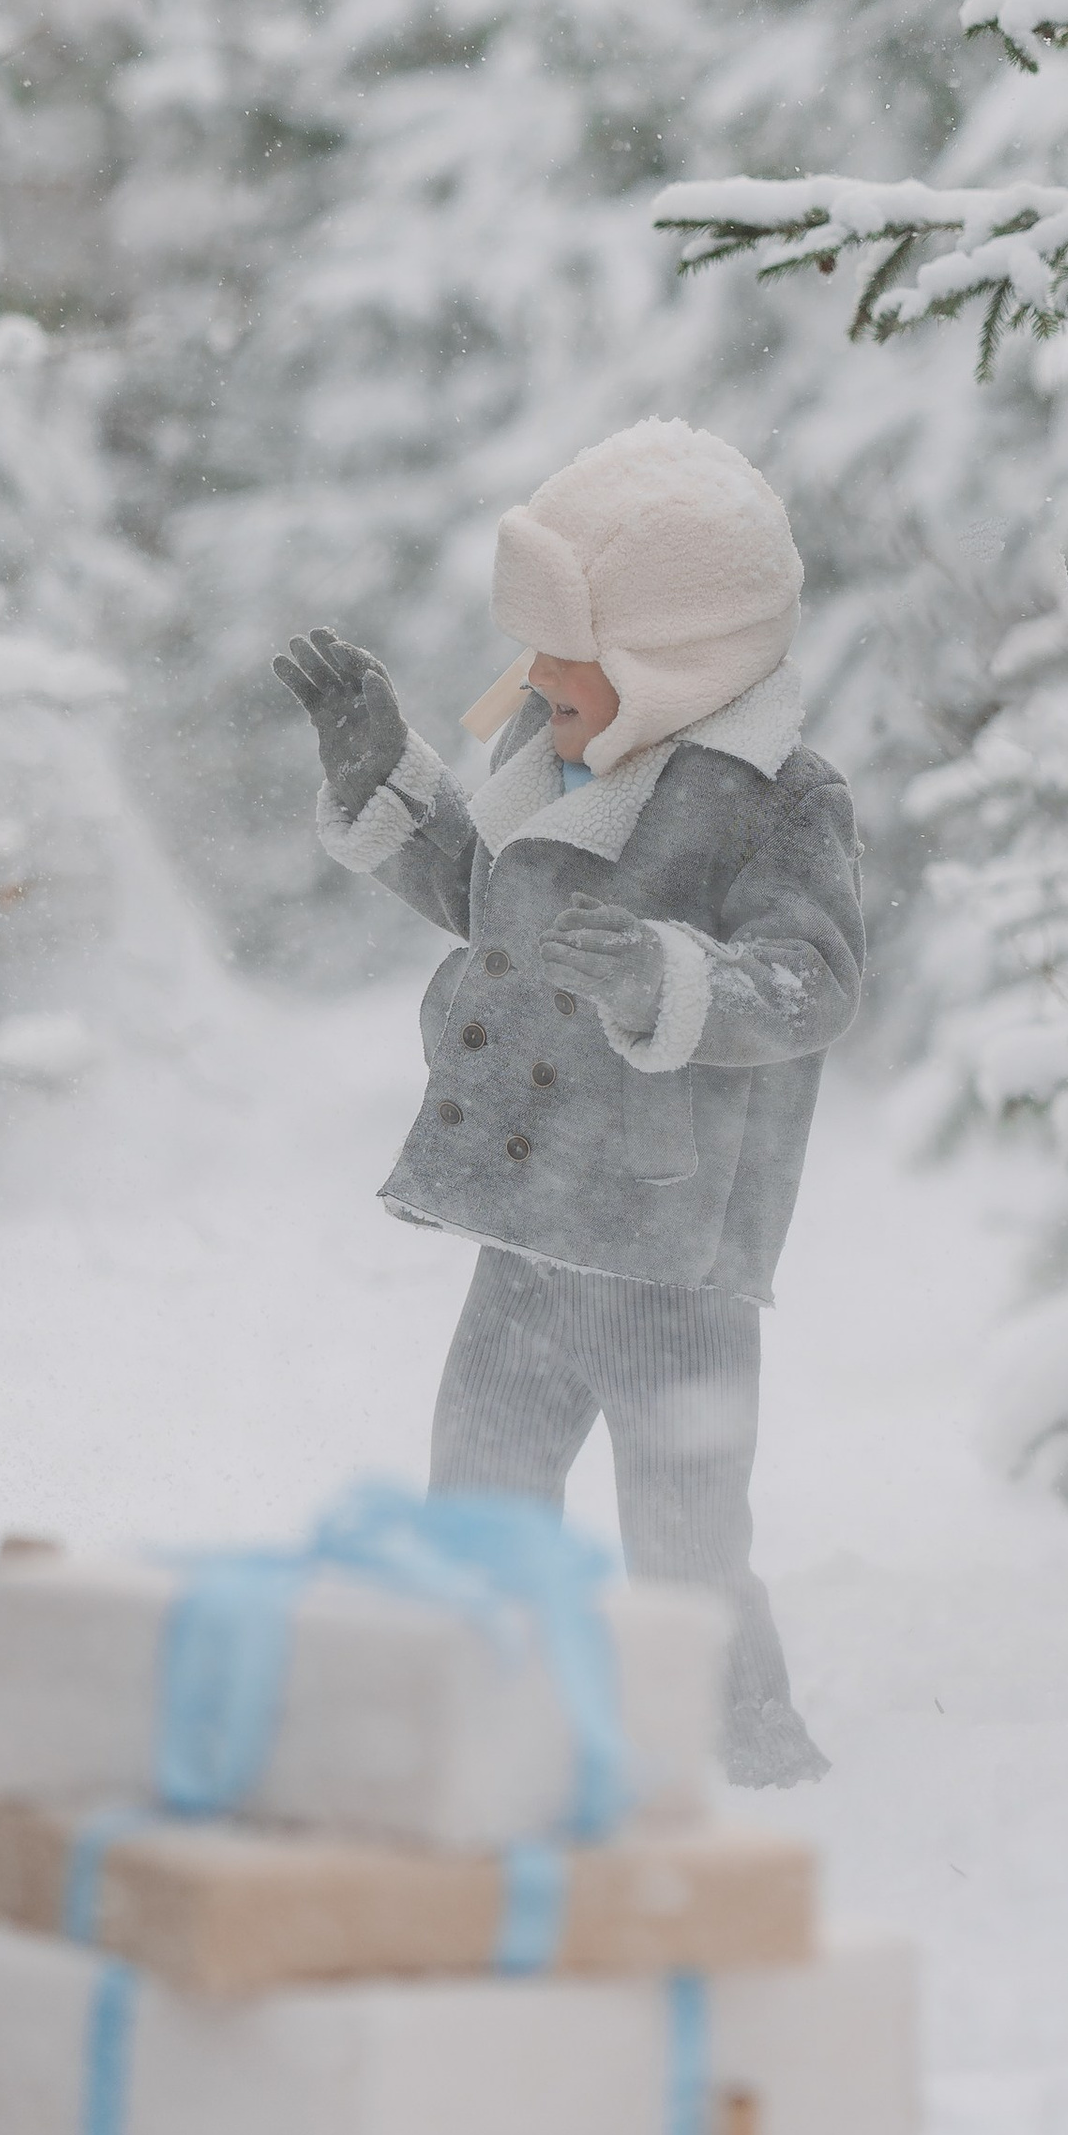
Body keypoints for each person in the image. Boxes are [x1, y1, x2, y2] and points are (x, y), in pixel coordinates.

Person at [274, 420, 864, 1788]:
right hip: (530, 1221)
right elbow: (484, 902)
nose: (536, 681)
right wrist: (385, 778)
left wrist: (673, 976)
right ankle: (487, 1717)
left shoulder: (775, 796)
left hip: (669, 1245)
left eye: (569, 656)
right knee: (480, 1494)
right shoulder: (561, 756)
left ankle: (746, 1751)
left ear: (678, 661)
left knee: (684, 1538)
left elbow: (812, 978)